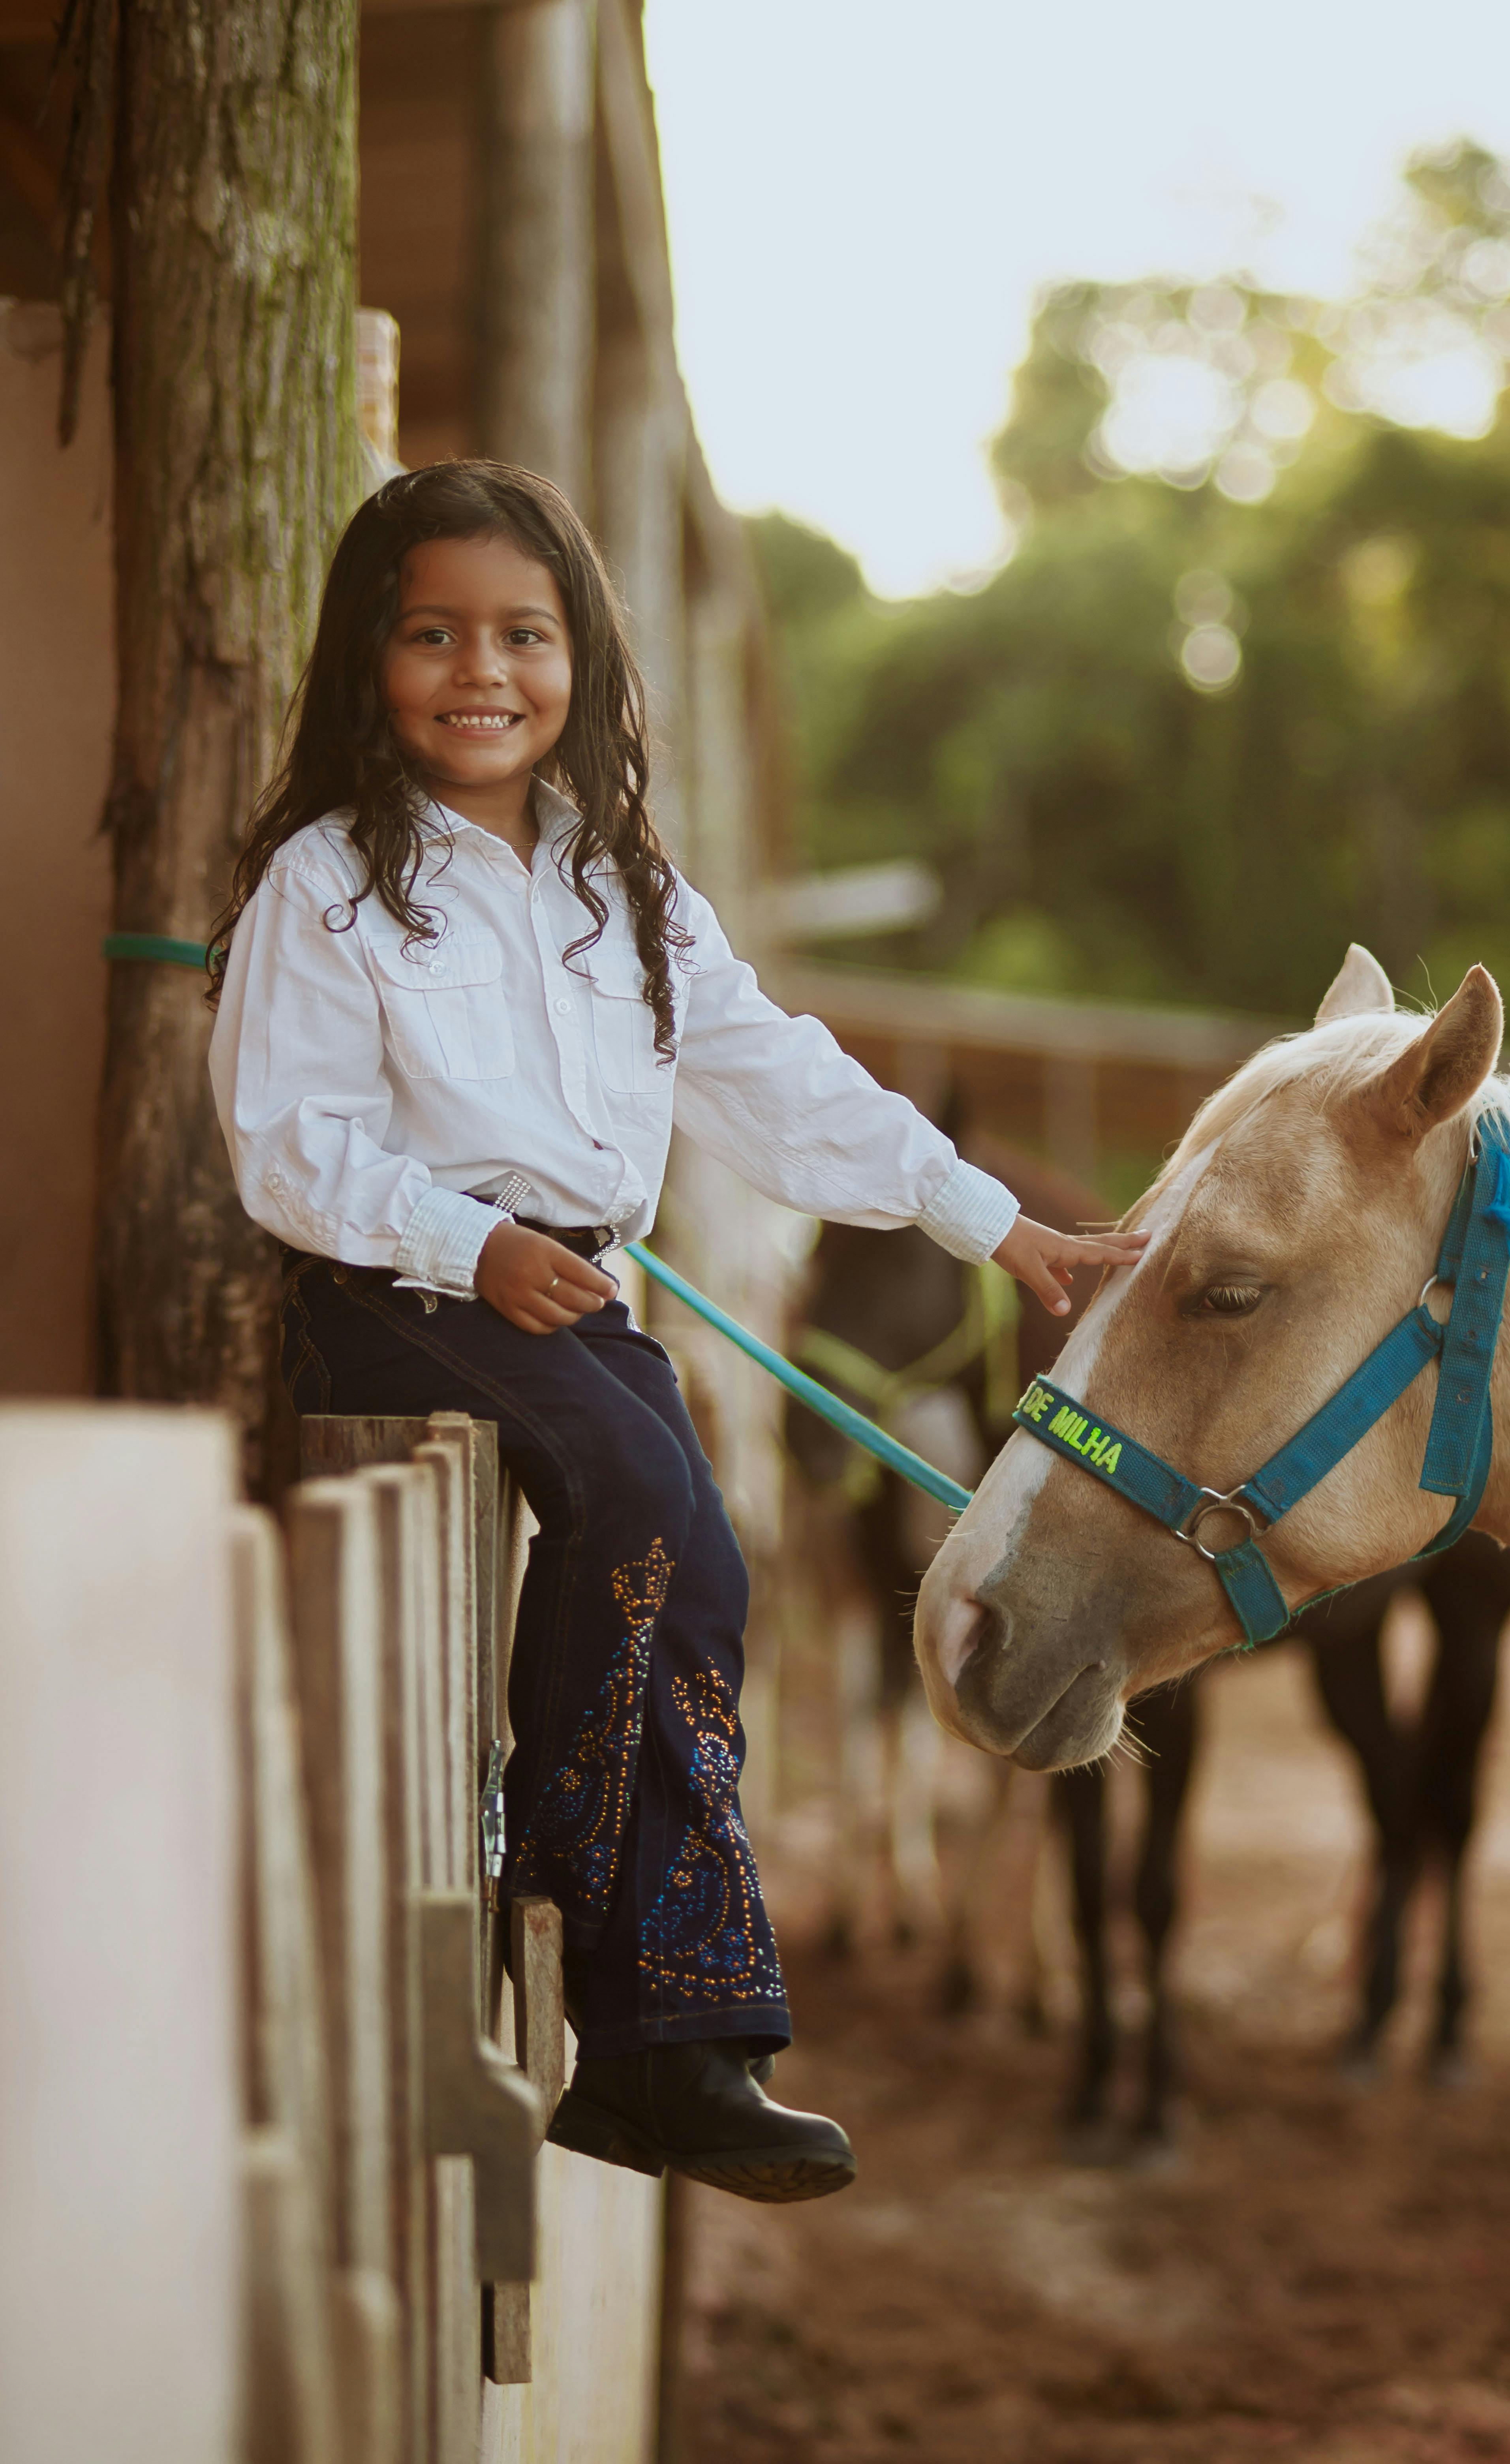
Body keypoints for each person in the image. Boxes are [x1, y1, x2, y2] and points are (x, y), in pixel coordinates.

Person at [208, 459, 1148, 2205]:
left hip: (567, 1300)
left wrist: (996, 1226)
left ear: (580, 662)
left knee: (701, 1562)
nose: (479, 670)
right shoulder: (326, 888)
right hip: (397, 1295)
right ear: (367, 661)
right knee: (649, 1506)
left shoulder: (622, 891)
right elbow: (284, 1140)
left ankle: (668, 2037)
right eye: (431, 633)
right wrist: (469, 1240)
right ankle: (595, 1937)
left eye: (522, 634)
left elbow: (780, 1084)